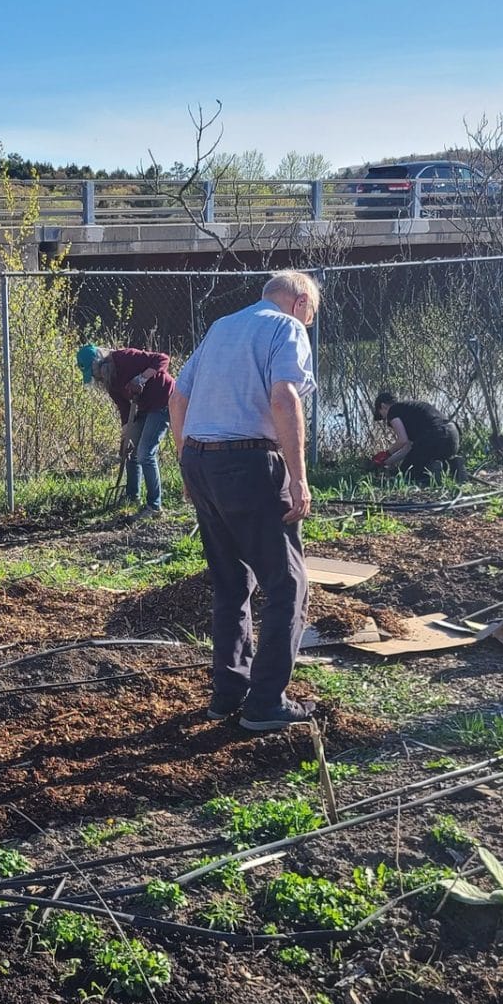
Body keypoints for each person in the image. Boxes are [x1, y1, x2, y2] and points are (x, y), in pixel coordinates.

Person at [170, 270, 320, 732]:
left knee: (232, 584)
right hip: (249, 463)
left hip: (201, 459)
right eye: (311, 315)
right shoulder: (286, 327)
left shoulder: (224, 326)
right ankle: (266, 702)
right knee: (287, 585)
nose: (308, 323)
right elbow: (285, 397)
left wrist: (186, 462)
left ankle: (228, 693)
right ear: (299, 302)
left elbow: (177, 396)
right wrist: (299, 477)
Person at [77, 342, 175, 514]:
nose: (95, 377)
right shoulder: (109, 381)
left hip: (163, 400)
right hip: (144, 407)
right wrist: (126, 434)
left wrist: (141, 378)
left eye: (93, 372)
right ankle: (132, 497)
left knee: (145, 453)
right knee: (129, 451)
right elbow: (124, 408)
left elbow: (163, 359)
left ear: (98, 362)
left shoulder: (124, 357)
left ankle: (154, 506)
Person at [372, 390, 464, 486]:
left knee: (407, 473)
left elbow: (402, 440)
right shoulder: (409, 409)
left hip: (435, 436)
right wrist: (386, 462)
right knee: (421, 459)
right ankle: (454, 465)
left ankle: (432, 474)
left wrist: (387, 453)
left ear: (383, 406)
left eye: (382, 415)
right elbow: (408, 448)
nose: (386, 420)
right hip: (453, 436)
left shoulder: (393, 411)